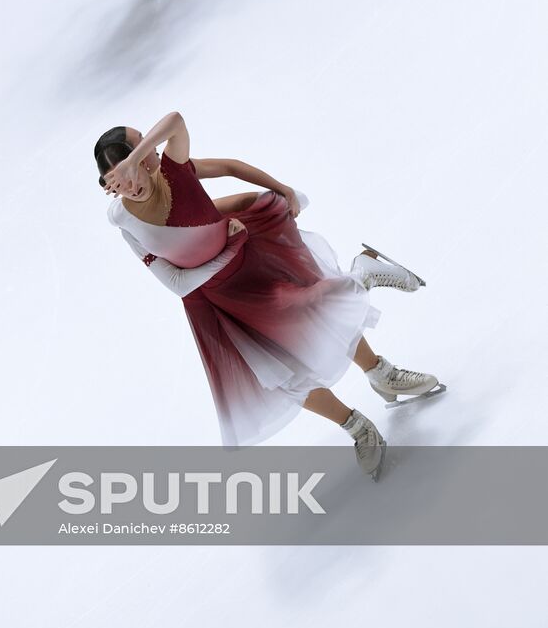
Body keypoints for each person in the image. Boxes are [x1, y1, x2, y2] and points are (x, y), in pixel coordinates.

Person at [95, 112, 443, 481]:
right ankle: (358, 428)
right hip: (217, 302)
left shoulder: (172, 170)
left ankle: (373, 326)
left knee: (318, 310)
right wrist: (229, 243)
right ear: (110, 181)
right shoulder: (122, 219)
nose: (139, 169)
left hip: (254, 266)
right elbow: (178, 282)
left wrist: (280, 192)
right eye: (124, 171)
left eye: (143, 154)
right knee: (280, 376)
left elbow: (181, 126)